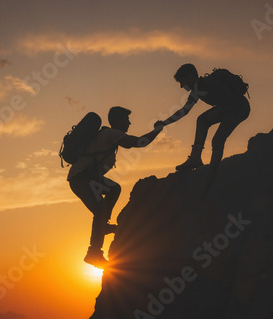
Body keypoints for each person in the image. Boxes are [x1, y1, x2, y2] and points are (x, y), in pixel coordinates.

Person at [68, 106, 163, 268]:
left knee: (114, 189)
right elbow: (139, 142)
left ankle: (103, 224)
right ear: (118, 121)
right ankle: (93, 253)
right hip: (81, 179)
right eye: (126, 120)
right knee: (100, 209)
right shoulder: (111, 134)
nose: (129, 123)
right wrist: (157, 130)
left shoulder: (108, 135)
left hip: (88, 179)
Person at [155, 63, 250, 172]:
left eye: (182, 81)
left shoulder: (209, 83)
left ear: (190, 76)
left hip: (240, 107)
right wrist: (164, 123)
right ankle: (195, 158)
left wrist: (218, 112)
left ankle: (213, 171)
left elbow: (230, 99)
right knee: (202, 120)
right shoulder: (197, 90)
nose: (181, 86)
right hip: (229, 108)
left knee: (217, 140)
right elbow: (183, 111)